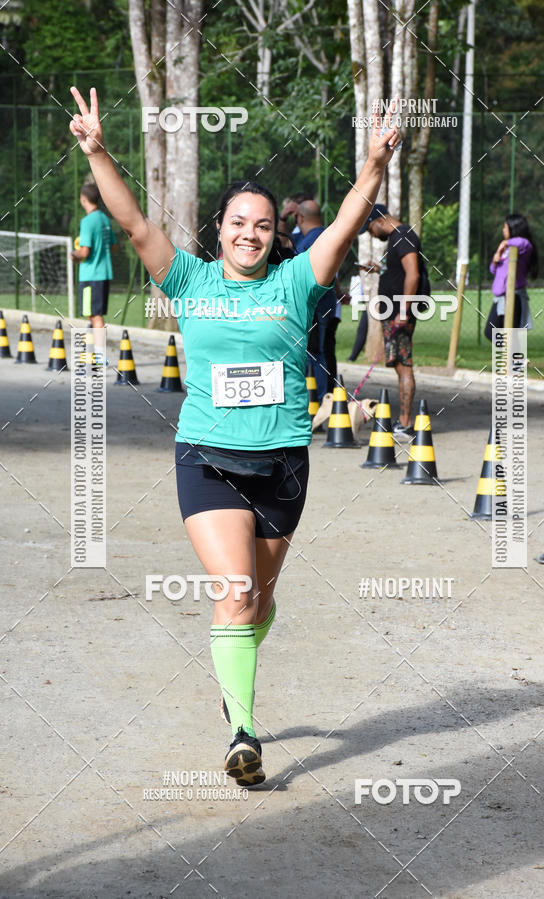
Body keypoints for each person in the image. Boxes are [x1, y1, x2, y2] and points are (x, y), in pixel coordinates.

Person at [69, 86, 402, 785]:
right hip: (208, 459)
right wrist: (98, 152)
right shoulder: (187, 279)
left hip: (282, 462)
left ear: (272, 234)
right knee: (235, 589)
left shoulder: (294, 283)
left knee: (261, 600)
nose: (249, 233)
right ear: (217, 228)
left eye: (260, 225)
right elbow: (133, 224)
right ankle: (242, 730)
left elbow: (343, 225)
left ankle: (234, 669)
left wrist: (372, 164)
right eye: (237, 222)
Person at [360, 204, 430, 439]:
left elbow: (413, 274)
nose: (371, 234)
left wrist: (403, 310)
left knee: (403, 364)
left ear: (379, 221)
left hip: (399, 313)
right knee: (399, 365)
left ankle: (406, 422)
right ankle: (404, 420)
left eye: (370, 229)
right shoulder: (397, 238)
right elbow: (401, 272)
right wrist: (380, 270)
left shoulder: (403, 236)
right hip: (393, 311)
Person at [295, 199, 339, 400]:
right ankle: (320, 397)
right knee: (319, 351)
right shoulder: (328, 236)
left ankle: (318, 399)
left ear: (300, 217)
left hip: (313, 305)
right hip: (327, 302)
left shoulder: (306, 243)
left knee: (313, 353)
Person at [71, 181, 117, 362]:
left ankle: (100, 355)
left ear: (83, 199)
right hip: (104, 273)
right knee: (95, 314)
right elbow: (113, 247)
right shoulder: (105, 219)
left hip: (91, 275)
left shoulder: (87, 221)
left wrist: (74, 255)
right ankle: (97, 351)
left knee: (95, 315)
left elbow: (85, 251)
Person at [485, 212, 538, 341]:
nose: (503, 230)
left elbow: (522, 242)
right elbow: (493, 270)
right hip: (500, 298)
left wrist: (505, 243)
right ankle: (513, 358)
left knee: (511, 335)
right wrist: (496, 257)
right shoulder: (506, 248)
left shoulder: (523, 245)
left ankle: (515, 359)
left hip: (514, 295)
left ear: (514, 228)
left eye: (505, 227)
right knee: (490, 332)